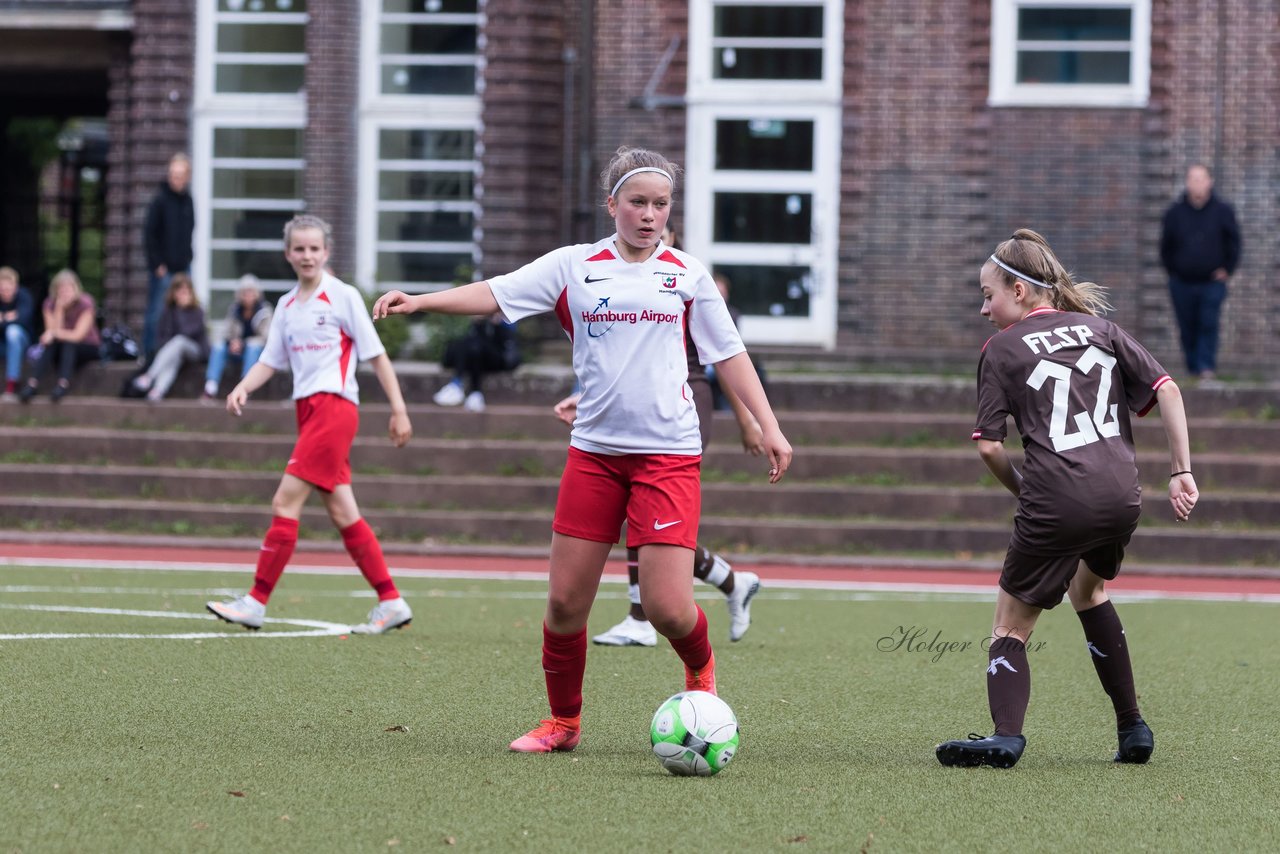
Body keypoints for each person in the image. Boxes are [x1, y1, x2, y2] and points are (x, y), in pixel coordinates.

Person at [373, 146, 791, 754]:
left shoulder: (687, 274)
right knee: (566, 603)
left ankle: (701, 678)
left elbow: (729, 355)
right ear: (612, 205)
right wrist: (422, 300)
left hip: (668, 455)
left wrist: (769, 426)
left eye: (661, 203)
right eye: (638, 202)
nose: (650, 214)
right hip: (594, 452)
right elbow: (496, 293)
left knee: (668, 608)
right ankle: (562, 724)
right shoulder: (575, 265)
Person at [935, 229, 1198, 770]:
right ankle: (1133, 727)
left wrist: (1027, 492)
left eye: (989, 295)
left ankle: (1006, 736)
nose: (983, 309)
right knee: (1090, 591)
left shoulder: (1001, 349)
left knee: (1010, 625)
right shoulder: (1100, 328)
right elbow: (1168, 389)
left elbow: (988, 447)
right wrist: (1182, 472)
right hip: (1123, 496)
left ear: (1021, 290)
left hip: (1058, 500)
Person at [205, 215, 415, 635]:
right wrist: (242, 386)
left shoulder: (342, 296)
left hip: (335, 411)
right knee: (343, 511)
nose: (307, 255)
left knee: (285, 503)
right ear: (288, 254)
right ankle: (391, 600)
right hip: (309, 413)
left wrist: (399, 409)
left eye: (314, 248)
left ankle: (256, 601)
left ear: (326, 252)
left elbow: (376, 355)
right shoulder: (284, 306)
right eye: (299, 249)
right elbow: (270, 360)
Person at [1159, 164, 1241, 383]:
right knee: (1187, 325)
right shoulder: (1174, 213)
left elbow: (1234, 243)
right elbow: (1165, 247)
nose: (1197, 183)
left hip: (1212, 282)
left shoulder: (1223, 211)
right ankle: (1193, 368)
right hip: (1181, 282)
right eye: (1193, 179)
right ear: (1187, 182)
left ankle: (1206, 367)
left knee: (1208, 322)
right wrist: (1174, 272)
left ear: (1210, 181)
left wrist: (1227, 269)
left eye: (1201, 178)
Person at [18, 269, 101, 404]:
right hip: (61, 348)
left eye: (68, 289)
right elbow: (52, 333)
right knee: (53, 344)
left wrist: (54, 333)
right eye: (61, 290)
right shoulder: (50, 304)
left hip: (87, 346)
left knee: (68, 342)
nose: (65, 293)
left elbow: (77, 335)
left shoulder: (86, 303)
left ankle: (63, 384)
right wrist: (59, 308)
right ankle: (32, 384)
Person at [143, 152, 196, 360]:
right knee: (156, 313)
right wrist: (157, 264)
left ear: (187, 176)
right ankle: (149, 353)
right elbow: (149, 234)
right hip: (163, 269)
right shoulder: (160, 201)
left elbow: (190, 231)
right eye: (173, 174)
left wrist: (188, 258)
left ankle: (173, 351)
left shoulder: (188, 202)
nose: (176, 179)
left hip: (183, 266)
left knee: (184, 311)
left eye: (180, 175)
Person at [130, 273, 209, 402]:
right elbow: (161, 337)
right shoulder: (168, 311)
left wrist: (181, 310)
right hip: (175, 352)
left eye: (186, 291)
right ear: (174, 293)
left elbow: (187, 333)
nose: (183, 295)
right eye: (180, 291)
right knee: (174, 359)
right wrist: (176, 309)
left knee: (179, 341)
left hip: (196, 351)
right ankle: (158, 391)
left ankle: (149, 377)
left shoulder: (198, 311)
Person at [431, 311, 522, 413]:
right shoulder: (480, 317)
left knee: (474, 347)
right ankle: (470, 392)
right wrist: (479, 320)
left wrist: (496, 320)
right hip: (477, 355)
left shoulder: (505, 313)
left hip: (499, 357)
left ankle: (459, 385)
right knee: (467, 346)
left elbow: (507, 339)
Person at [204, 274, 272, 399]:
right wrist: (232, 342)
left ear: (257, 293)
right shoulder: (234, 310)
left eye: (251, 292)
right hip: (236, 351)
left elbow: (266, 337)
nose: (248, 296)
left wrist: (244, 343)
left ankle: (245, 387)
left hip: (257, 353)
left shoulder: (265, 311)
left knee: (253, 347)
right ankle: (211, 386)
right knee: (218, 347)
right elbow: (226, 332)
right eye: (244, 293)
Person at [0, 266, 34, 402]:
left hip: (22, 342)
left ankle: (11, 383)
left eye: (7, 288)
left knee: (13, 332)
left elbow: (23, 320)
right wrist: (9, 317)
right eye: (2, 289)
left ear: (15, 286)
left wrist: (2, 320)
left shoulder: (24, 296)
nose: (5, 292)